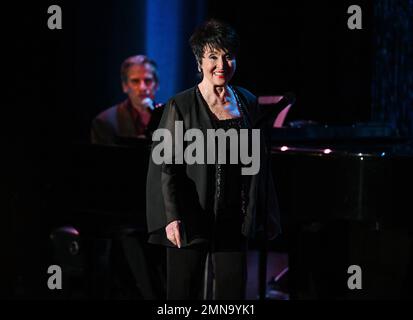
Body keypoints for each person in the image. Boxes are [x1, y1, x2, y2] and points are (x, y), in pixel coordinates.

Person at [146, 19, 284, 300]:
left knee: (232, 295)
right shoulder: (180, 105)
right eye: (212, 56)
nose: (222, 64)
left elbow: (259, 162)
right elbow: (166, 166)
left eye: (228, 56)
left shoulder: (247, 101)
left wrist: (268, 213)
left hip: (234, 218)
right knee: (183, 295)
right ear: (199, 62)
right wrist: (172, 218)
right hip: (190, 216)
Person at [91, 54, 164, 144]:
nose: (142, 87)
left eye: (148, 80)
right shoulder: (105, 121)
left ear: (156, 85)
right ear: (125, 86)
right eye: (135, 81)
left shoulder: (169, 115)